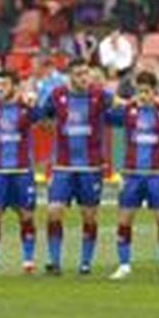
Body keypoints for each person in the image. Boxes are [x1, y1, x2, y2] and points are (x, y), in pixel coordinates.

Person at [36, 59, 110, 276]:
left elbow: (119, 105)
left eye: (85, 73)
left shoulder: (99, 95)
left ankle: (85, 263)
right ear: (70, 77)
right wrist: (48, 124)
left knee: (89, 215)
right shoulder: (58, 95)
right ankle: (54, 261)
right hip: (63, 166)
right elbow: (43, 115)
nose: (83, 78)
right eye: (78, 74)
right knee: (53, 211)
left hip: (91, 166)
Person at [102, 71, 159, 283]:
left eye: (146, 91)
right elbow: (101, 113)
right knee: (125, 218)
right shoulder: (128, 112)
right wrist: (117, 101)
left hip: (156, 174)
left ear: (155, 92)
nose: (142, 95)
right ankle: (124, 265)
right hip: (132, 175)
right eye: (139, 91)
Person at [0, 71, 38, 275]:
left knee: (26, 215)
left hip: (22, 170)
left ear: (15, 86)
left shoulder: (25, 108)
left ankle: (29, 260)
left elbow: (43, 117)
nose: (0, 89)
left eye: (4, 84)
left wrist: (33, 104)